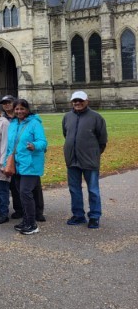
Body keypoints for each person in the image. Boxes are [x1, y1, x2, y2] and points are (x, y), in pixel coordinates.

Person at [62, 91, 108, 229]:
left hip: (89, 160)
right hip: (72, 159)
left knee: (93, 190)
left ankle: (94, 216)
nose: (77, 103)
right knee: (74, 189)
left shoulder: (96, 117)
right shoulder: (67, 117)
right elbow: (66, 134)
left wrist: (94, 154)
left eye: (80, 100)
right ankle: (78, 215)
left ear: (87, 101)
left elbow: (102, 140)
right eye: (75, 101)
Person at [4, 99, 47, 235]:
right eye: (17, 109)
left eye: (22, 109)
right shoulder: (13, 124)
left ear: (27, 110)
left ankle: (32, 224)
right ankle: (26, 220)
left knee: (25, 193)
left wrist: (34, 146)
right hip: (17, 164)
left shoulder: (35, 123)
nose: (19, 111)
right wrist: (6, 162)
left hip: (30, 164)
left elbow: (43, 142)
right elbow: (10, 146)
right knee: (20, 193)